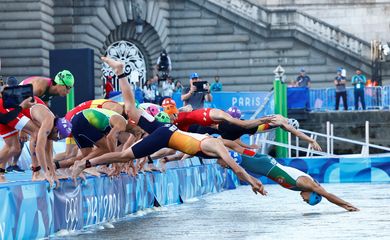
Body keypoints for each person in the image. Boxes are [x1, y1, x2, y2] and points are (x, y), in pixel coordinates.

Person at [72, 56, 267, 196]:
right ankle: (84, 163)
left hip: (166, 131)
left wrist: (250, 144)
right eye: (226, 164)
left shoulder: (217, 144)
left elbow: (235, 145)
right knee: (124, 155)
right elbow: (238, 170)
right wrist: (253, 182)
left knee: (130, 109)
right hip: (167, 136)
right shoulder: (217, 149)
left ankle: (121, 71)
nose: (224, 166)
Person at [224, 151, 358, 211]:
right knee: (225, 158)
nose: (303, 200)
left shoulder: (303, 186)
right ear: (312, 194)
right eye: (306, 200)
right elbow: (327, 195)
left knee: (233, 150)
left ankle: (213, 138)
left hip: (266, 162)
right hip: (265, 166)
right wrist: (346, 205)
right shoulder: (306, 184)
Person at [162, 98, 275, 132]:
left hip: (202, 116)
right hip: (201, 118)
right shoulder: (222, 116)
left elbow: (189, 107)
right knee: (242, 125)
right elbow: (243, 125)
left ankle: (266, 119)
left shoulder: (219, 117)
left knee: (243, 125)